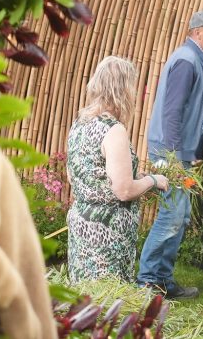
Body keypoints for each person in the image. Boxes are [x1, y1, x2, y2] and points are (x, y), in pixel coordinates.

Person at [137, 10, 203, 299]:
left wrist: (193, 152)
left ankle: (162, 280)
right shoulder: (186, 60)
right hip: (171, 154)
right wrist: (170, 155)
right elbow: (172, 110)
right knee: (172, 215)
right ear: (196, 31)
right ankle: (148, 281)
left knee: (181, 214)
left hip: (180, 154)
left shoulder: (196, 61)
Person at [66, 56, 170, 282]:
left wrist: (136, 178)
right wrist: (153, 180)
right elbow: (123, 191)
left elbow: (77, 176)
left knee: (85, 302)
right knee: (108, 304)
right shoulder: (113, 130)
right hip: (107, 234)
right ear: (122, 89)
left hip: (82, 225)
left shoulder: (80, 124)